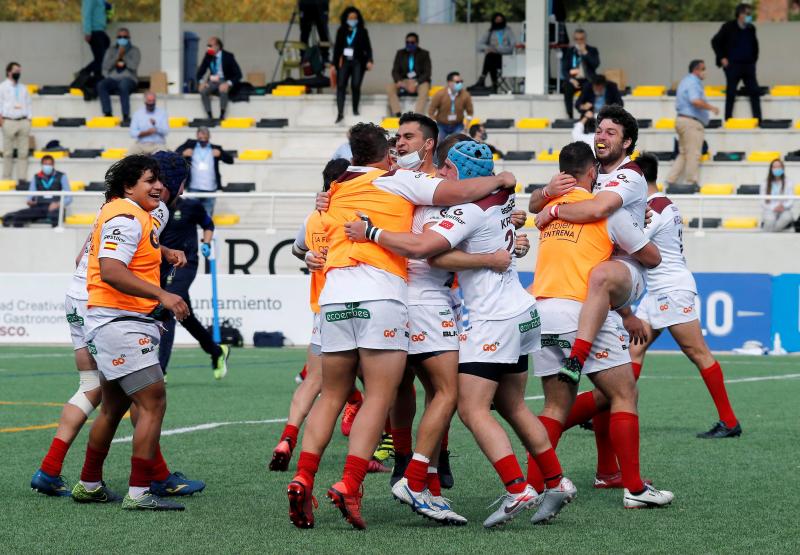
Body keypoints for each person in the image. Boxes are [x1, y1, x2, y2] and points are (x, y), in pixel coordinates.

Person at [286, 123, 518, 530]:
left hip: (336, 296)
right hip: (397, 298)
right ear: (388, 152)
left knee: (340, 394)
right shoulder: (405, 181)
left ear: (429, 144)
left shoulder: (338, 186)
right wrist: (500, 184)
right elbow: (456, 204)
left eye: (409, 138)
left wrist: (506, 217)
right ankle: (384, 480)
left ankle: (307, 474)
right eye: (397, 141)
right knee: (422, 392)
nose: (402, 146)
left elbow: (306, 241)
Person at [345, 140, 576, 528]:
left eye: (451, 168)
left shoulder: (466, 210)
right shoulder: (500, 193)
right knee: (512, 405)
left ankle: (515, 488)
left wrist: (371, 231)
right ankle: (556, 481)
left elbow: (426, 250)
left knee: (467, 406)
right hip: (520, 310)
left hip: (492, 320)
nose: (444, 174)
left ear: (465, 172)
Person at [30, 157, 194, 498]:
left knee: (103, 391)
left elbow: (83, 258)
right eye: (152, 181)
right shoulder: (152, 210)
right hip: (109, 306)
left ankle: (60, 471)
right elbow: (114, 265)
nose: (160, 188)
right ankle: (147, 482)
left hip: (79, 296)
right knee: (144, 395)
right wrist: (160, 294)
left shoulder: (114, 205)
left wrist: (160, 251)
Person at [530, 143, 673, 509]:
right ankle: (636, 489)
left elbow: (533, 205)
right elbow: (651, 257)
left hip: (542, 310)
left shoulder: (547, 209)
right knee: (624, 393)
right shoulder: (607, 209)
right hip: (582, 313)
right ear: (593, 171)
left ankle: (530, 489)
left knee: (554, 408)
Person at [627, 152, 742, 438]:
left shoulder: (653, 208)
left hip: (671, 290)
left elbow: (632, 243)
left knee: (697, 352)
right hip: (659, 290)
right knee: (633, 349)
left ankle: (729, 421)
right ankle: (615, 412)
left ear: (639, 179)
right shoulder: (664, 204)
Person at [270, 158, 367, 472]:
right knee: (381, 384)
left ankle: (288, 436)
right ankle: (375, 454)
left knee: (316, 380)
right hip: (365, 306)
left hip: (325, 309)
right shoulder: (358, 216)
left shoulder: (315, 217)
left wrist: (309, 255)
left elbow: (299, 248)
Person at [154, 151, 230, 380]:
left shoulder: (192, 206)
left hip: (187, 263)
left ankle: (160, 370)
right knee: (185, 315)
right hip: (165, 264)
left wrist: (206, 243)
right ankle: (217, 351)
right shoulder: (158, 209)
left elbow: (209, 224)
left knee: (167, 309)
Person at [666, 60, 719, 188]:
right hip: (691, 122)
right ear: (696, 70)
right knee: (693, 154)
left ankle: (671, 180)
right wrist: (711, 107)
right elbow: (695, 101)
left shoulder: (685, 81)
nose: (705, 72)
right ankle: (691, 183)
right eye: (703, 68)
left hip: (683, 120)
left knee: (684, 153)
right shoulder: (693, 82)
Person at [711, 3, 762, 122]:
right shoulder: (728, 27)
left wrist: (753, 61)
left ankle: (758, 119)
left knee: (754, 91)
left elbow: (755, 46)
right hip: (733, 65)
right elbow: (715, 42)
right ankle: (728, 118)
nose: (750, 17)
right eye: (748, 14)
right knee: (731, 92)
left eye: (751, 14)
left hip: (748, 66)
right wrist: (722, 57)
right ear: (740, 14)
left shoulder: (751, 28)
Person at [176, 127, 234, 216]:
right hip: (193, 188)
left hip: (210, 189)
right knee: (191, 216)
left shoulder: (215, 148)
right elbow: (174, 155)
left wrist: (221, 154)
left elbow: (230, 160)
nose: (202, 140)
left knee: (207, 217)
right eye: (200, 138)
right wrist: (183, 153)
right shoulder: (190, 145)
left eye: (205, 138)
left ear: (209, 136)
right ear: (197, 136)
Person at [2, 156, 70, 227]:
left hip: (55, 208)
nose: (47, 166)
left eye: (49, 164)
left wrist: (58, 204)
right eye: (45, 164)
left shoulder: (62, 176)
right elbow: (30, 195)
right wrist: (29, 201)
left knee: (55, 217)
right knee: (19, 217)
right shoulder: (36, 177)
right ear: (42, 165)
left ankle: (55, 236)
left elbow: (69, 198)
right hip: (40, 206)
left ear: (53, 165)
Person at [332, 7, 373, 124]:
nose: (352, 20)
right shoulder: (341, 31)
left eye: (355, 18)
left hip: (358, 62)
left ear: (358, 19)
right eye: (350, 18)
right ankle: (340, 113)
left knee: (355, 85)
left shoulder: (362, 31)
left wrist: (370, 60)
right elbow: (337, 49)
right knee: (341, 85)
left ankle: (355, 109)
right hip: (344, 62)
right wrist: (334, 64)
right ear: (345, 19)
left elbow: (368, 47)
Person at [97, 28, 140, 125]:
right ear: (116, 38)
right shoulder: (111, 50)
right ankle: (107, 114)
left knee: (123, 85)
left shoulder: (135, 50)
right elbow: (105, 66)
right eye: (120, 37)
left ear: (129, 38)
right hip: (113, 78)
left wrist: (123, 55)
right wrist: (117, 55)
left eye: (125, 37)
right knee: (101, 85)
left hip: (129, 79)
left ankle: (125, 116)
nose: (122, 39)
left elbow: (133, 66)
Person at [386, 33, 432, 117]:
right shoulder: (400, 53)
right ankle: (397, 113)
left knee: (425, 88)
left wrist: (416, 83)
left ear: (417, 43)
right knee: (390, 87)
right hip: (404, 81)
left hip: (419, 81)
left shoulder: (424, 54)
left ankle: (418, 115)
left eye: (412, 42)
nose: (409, 44)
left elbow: (427, 72)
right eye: (407, 42)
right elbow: (395, 70)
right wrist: (399, 81)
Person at [197, 37, 242, 120]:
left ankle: (222, 115)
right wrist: (201, 82)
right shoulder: (208, 56)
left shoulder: (228, 56)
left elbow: (238, 74)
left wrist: (228, 83)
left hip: (224, 79)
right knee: (203, 91)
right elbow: (200, 72)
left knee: (223, 89)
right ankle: (209, 116)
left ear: (217, 46)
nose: (208, 48)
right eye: (208, 46)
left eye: (210, 46)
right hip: (212, 81)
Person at [1, 62, 32, 181]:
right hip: (8, 121)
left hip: (23, 121)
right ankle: (6, 178)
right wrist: (2, 121)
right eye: (15, 71)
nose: (18, 73)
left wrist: (29, 119)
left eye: (19, 71)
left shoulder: (23, 88)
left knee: (23, 153)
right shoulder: (2, 87)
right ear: (9, 72)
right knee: (8, 153)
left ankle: (22, 179)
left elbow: (28, 104)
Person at [560, 29, 600, 119]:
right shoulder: (570, 51)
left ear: (585, 39)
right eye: (576, 39)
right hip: (574, 79)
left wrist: (585, 52)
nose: (579, 41)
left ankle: (586, 114)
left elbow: (595, 64)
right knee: (567, 86)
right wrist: (571, 79)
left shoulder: (592, 50)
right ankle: (569, 114)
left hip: (587, 79)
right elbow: (564, 69)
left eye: (581, 39)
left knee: (589, 87)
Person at [472, 12, 516, 93]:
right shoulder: (490, 32)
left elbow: (512, 47)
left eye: (500, 20)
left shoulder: (508, 31)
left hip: (505, 60)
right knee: (490, 57)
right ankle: (493, 85)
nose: (499, 22)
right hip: (494, 59)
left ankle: (483, 79)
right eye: (497, 20)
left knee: (490, 57)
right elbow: (479, 45)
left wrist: (496, 49)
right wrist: (488, 48)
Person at [428, 72, 473, 143]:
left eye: (461, 81)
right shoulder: (440, 94)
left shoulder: (465, 95)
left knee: (459, 143)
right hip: (441, 125)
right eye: (457, 82)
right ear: (449, 83)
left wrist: (466, 127)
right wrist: (435, 126)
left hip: (458, 125)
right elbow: (431, 112)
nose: (460, 84)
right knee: (437, 142)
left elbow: (470, 112)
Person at [761, 159, 793, 232]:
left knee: (787, 217)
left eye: (779, 167)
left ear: (782, 168)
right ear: (771, 169)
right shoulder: (765, 183)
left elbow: (791, 199)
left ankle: (770, 231)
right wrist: (773, 208)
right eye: (774, 167)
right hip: (769, 208)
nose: (777, 169)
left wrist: (783, 206)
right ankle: (776, 231)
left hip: (784, 209)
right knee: (770, 220)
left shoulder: (789, 182)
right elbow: (762, 201)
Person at [81, 0, 110, 82]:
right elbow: (87, 14)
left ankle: (98, 77)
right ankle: (84, 73)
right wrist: (87, 31)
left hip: (101, 30)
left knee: (101, 58)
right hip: (94, 31)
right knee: (100, 59)